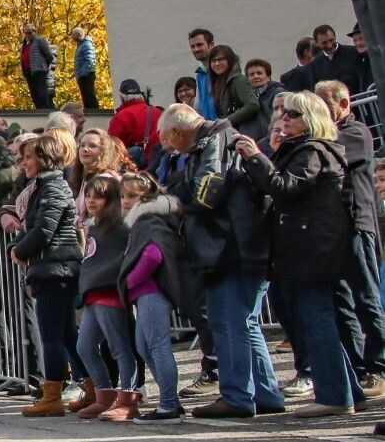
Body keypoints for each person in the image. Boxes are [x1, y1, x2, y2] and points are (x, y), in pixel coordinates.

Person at [235, 92, 362, 416]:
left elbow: (284, 189)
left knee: (316, 320)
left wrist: (256, 157)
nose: (284, 117)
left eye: (293, 113)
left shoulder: (313, 150)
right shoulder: (304, 150)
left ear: (310, 118)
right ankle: (347, 391)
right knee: (317, 319)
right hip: (310, 248)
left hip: (312, 250)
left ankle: (335, 395)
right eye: (283, 112)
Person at [157, 103, 284, 419]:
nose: (167, 146)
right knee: (245, 323)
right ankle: (265, 393)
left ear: (177, 131)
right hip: (236, 247)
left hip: (230, 248)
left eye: (166, 138)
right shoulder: (215, 140)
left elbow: (206, 193)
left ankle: (237, 396)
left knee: (229, 323)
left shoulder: (215, 142)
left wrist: (174, 191)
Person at [314, 81, 385, 398]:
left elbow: (335, 157)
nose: (320, 113)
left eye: (324, 106)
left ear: (343, 103)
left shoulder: (355, 131)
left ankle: (379, 367)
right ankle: (358, 367)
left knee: (367, 299)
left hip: (356, 224)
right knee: (343, 303)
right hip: (333, 231)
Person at [10, 132, 83, 416]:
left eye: (29, 157)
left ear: (44, 158)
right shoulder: (43, 187)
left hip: (56, 268)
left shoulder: (53, 188)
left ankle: (52, 394)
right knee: (65, 335)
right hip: (51, 267)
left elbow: (43, 231)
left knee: (52, 335)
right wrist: (16, 245)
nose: (23, 162)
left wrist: (19, 251)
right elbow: (32, 228)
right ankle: (89, 386)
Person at [74, 175, 141, 420]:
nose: (91, 200)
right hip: (93, 292)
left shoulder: (122, 225)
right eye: (88, 195)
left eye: (98, 196)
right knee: (85, 346)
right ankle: (105, 395)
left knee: (119, 347)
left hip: (111, 292)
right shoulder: (95, 224)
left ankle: (128, 397)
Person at [119, 173, 186, 421]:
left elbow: (154, 254)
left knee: (157, 346)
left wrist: (130, 279)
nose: (126, 201)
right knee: (144, 347)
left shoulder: (148, 219)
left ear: (146, 197)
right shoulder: (143, 219)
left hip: (151, 290)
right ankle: (171, 401)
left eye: (132, 196)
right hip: (145, 292)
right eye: (124, 195)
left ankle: (168, 404)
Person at [207, 44, 259, 136]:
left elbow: (252, 105)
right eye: (213, 61)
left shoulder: (238, 80)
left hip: (244, 133)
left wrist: (227, 121)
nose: (217, 64)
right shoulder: (217, 82)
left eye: (221, 59)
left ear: (230, 61)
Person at [108, 79, 161, 165]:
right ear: (140, 95)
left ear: (122, 98)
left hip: (132, 169)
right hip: (157, 166)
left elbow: (112, 147)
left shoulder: (120, 117)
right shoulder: (158, 113)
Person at [309, 23, 364, 93]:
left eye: (331, 40)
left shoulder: (353, 52)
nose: (329, 45)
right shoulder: (315, 64)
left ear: (335, 37)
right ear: (317, 43)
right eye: (324, 43)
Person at [244, 58, 285, 140]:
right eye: (252, 74)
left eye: (259, 73)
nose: (255, 76)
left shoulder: (278, 93)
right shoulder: (246, 97)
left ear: (268, 76)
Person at [19, 23, 55, 109]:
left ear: (34, 32)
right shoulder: (25, 43)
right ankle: (38, 110)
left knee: (42, 92)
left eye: (29, 33)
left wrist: (43, 66)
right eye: (26, 33)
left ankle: (45, 110)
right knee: (34, 93)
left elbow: (49, 56)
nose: (27, 35)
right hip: (28, 71)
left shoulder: (40, 40)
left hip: (39, 71)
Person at [187, 28, 218, 120]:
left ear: (211, 44)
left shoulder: (220, 70)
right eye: (192, 46)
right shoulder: (200, 74)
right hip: (210, 129)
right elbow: (199, 106)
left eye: (199, 45)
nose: (196, 49)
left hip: (225, 127)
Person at [71, 27, 99, 110]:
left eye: (73, 36)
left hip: (87, 75)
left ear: (79, 35)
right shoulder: (81, 45)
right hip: (83, 75)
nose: (72, 38)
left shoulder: (86, 44)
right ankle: (89, 111)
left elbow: (89, 60)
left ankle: (94, 112)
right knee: (86, 97)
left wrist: (82, 74)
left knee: (89, 96)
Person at [350, 24, 374, 91]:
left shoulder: (379, 58)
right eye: (355, 40)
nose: (358, 43)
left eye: (361, 38)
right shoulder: (359, 61)